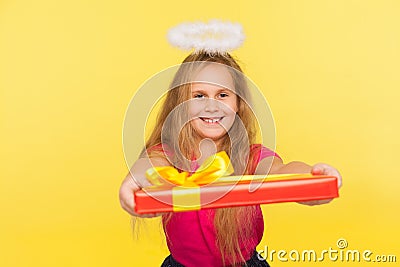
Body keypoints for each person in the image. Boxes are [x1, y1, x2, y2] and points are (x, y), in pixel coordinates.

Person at [119, 21, 342, 267]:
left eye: (223, 95)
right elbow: (149, 166)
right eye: (199, 95)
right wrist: (135, 179)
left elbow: (279, 170)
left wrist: (313, 178)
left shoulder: (250, 156)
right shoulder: (169, 154)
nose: (212, 105)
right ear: (180, 104)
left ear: (238, 104)